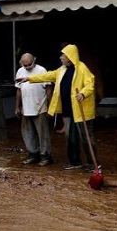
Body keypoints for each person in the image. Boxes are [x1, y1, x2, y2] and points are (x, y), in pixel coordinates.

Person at [17, 43, 97, 172]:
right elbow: (48, 76)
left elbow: (90, 84)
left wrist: (83, 93)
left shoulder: (82, 69)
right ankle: (75, 161)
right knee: (70, 139)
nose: (61, 58)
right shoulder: (62, 70)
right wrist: (29, 79)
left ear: (70, 57)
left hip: (81, 111)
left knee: (85, 138)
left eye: (63, 55)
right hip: (68, 110)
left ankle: (93, 164)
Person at [14, 53, 53, 165]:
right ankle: (33, 154)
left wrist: (49, 106)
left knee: (42, 133)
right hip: (26, 107)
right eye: (25, 65)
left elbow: (49, 88)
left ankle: (46, 156)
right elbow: (18, 90)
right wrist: (17, 106)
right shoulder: (20, 71)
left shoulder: (42, 70)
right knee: (27, 133)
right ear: (21, 63)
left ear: (34, 60)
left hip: (40, 106)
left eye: (30, 64)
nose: (27, 67)